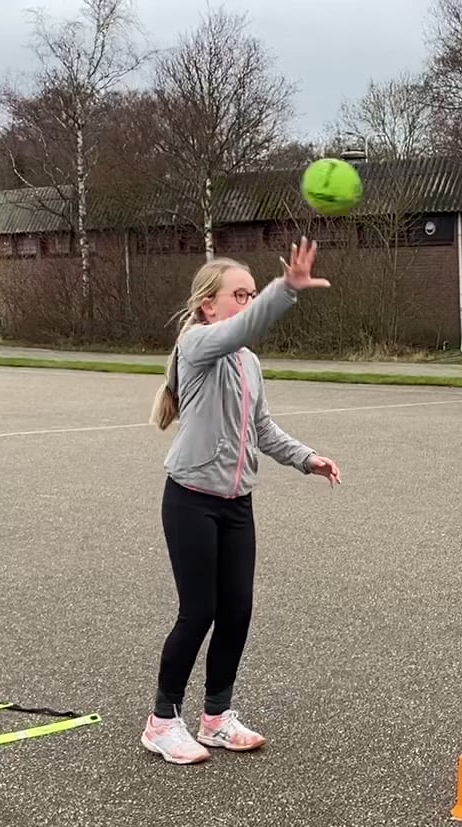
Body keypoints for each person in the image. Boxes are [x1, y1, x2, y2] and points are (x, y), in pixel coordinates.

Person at [143, 241, 342, 765]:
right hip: (190, 499)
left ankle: (215, 718)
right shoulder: (198, 343)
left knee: (237, 610)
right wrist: (285, 290)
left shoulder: (248, 363)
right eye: (240, 294)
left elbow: (262, 429)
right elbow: (242, 329)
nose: (248, 302)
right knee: (199, 611)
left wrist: (308, 458)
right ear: (209, 304)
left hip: (236, 504)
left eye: (254, 293)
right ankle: (162, 722)